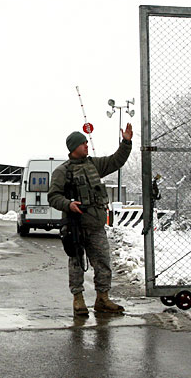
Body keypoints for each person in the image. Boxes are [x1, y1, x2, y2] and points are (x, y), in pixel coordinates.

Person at [48, 123, 133, 316]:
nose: (86, 145)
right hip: (75, 226)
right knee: (76, 264)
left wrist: (126, 142)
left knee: (103, 262)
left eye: (86, 142)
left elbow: (116, 161)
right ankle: (78, 299)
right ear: (73, 148)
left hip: (95, 225)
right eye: (83, 143)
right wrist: (68, 204)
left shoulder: (93, 165)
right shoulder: (62, 171)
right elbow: (53, 196)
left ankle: (103, 298)